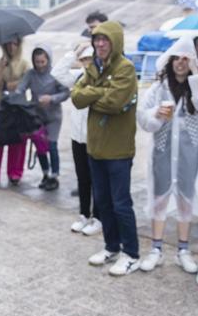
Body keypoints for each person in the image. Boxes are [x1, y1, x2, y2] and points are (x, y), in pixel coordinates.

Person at [137, 37, 198, 274]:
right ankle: (156, 250)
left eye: (186, 58)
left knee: (186, 197)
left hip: (189, 153)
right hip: (163, 152)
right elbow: (143, 118)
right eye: (177, 58)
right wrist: (156, 113)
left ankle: (183, 250)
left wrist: (196, 73)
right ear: (170, 61)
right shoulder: (159, 87)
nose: (181, 63)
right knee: (159, 197)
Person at [72, 20, 141, 276]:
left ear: (115, 42)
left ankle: (131, 253)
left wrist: (94, 93)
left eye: (105, 39)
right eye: (96, 40)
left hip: (119, 151)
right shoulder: (94, 68)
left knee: (121, 203)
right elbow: (76, 98)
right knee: (103, 201)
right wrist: (100, 91)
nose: (100, 44)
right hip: (96, 148)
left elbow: (115, 103)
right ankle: (112, 246)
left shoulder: (126, 69)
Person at [52, 42, 103, 235]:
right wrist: (74, 53)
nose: (87, 63)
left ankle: (98, 217)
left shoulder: (101, 79)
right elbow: (57, 72)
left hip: (95, 137)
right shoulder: (77, 77)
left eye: (90, 59)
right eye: (84, 60)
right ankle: (83, 214)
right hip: (77, 137)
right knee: (82, 177)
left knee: (96, 179)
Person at [16, 44, 70, 190]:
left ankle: (54, 176)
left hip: (53, 116)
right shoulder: (31, 74)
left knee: (51, 145)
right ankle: (45, 173)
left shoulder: (55, 74)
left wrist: (51, 98)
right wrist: (20, 99)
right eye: (37, 62)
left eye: (42, 62)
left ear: (48, 60)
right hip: (37, 116)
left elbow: (66, 92)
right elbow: (21, 88)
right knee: (40, 146)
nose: (40, 65)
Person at [0, 37, 30, 187]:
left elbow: (27, 81)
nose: (11, 47)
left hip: (17, 106)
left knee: (18, 142)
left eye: (14, 43)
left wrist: (14, 84)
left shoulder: (24, 64)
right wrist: (1, 68)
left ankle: (15, 173)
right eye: (8, 43)